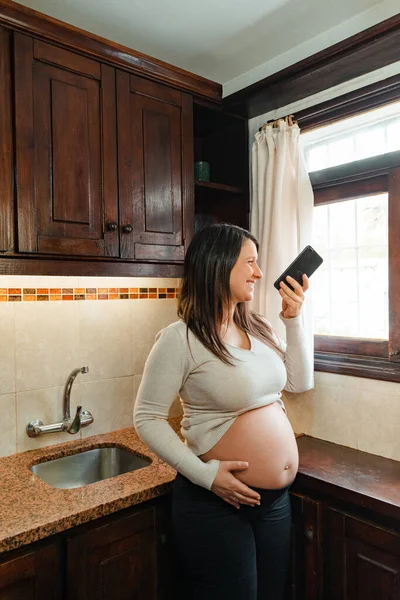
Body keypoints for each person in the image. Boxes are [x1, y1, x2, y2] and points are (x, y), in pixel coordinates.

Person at [134, 223, 313, 600]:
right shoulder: (179, 338)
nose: (260, 273)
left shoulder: (259, 326)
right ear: (218, 265)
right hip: (215, 503)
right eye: (250, 262)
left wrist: (293, 320)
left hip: (274, 503)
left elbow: (297, 382)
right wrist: (205, 475)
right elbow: (147, 418)